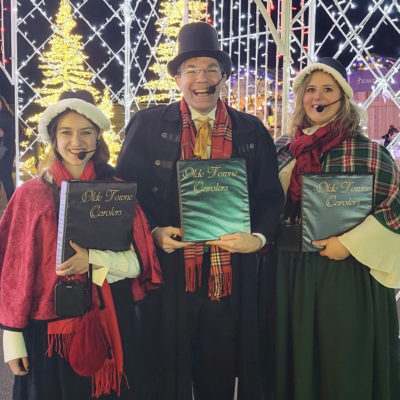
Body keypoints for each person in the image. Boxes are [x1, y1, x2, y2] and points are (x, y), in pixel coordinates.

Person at [115, 22, 283, 400]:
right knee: (163, 378)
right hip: (168, 275)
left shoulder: (251, 130)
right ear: (178, 78)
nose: (202, 78)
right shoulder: (147, 126)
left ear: (223, 76)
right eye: (191, 69)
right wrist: (154, 232)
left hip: (228, 278)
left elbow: (270, 197)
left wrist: (258, 238)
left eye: (210, 69)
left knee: (218, 378)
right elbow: (125, 195)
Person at [0, 90, 162, 400]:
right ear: (53, 138)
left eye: (86, 132)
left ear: (98, 137)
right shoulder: (30, 197)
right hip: (48, 331)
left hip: (110, 319)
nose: (77, 141)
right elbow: (13, 272)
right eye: (66, 132)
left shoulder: (117, 192)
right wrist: (12, 337)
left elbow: (138, 263)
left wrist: (92, 259)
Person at [271, 57, 400, 399]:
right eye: (310, 89)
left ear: (343, 99)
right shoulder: (283, 150)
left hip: (347, 274)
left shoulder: (369, 152)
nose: (318, 97)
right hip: (289, 270)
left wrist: (350, 243)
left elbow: (395, 209)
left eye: (328, 89)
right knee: (294, 356)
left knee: (343, 360)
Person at [0, 94, 16, 202]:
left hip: (7, 150)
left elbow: (16, 133)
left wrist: (3, 134)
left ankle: (12, 202)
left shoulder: (9, 116)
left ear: (2, 103)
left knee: (6, 176)